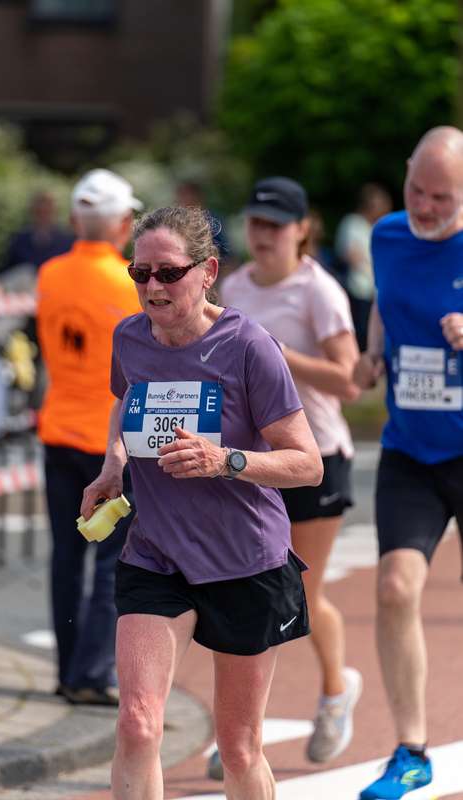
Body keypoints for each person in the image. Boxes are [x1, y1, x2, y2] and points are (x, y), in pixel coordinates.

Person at [80, 205, 323, 799]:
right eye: (140, 274)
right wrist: (114, 462)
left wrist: (226, 461)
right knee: (138, 724)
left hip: (244, 561)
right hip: (157, 556)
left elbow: (307, 463)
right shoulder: (129, 337)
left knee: (238, 748)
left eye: (169, 273)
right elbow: (125, 399)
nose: (153, 288)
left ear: (208, 271)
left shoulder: (248, 346)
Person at [216, 176, 362, 770]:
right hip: (254, 464)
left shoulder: (318, 291)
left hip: (315, 457)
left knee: (301, 592)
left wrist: (278, 353)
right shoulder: (233, 286)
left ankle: (336, 692)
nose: (264, 235)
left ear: (303, 229)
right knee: (242, 592)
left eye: (276, 225)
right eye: (256, 223)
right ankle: (241, 730)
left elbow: (349, 379)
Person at [353, 126, 463, 800]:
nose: (422, 206)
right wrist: (371, 355)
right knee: (394, 588)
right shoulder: (386, 236)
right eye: (416, 190)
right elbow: (384, 310)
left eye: (440, 198)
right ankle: (411, 750)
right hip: (410, 448)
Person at [36, 169, 142, 705]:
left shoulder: (50, 274)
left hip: (57, 426)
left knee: (65, 555)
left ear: (75, 219)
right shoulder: (129, 282)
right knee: (111, 556)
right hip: (109, 439)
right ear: (123, 224)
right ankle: (92, 672)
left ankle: (66, 669)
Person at [335, 183, 392, 351]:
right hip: (358, 290)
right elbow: (351, 255)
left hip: (375, 291)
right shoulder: (353, 223)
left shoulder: (377, 228)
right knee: (361, 334)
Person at [3, 189, 74, 272]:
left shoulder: (66, 241)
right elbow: (9, 269)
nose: (43, 216)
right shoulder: (19, 240)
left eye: (47, 211)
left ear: (55, 212)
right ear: (32, 211)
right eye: (39, 212)